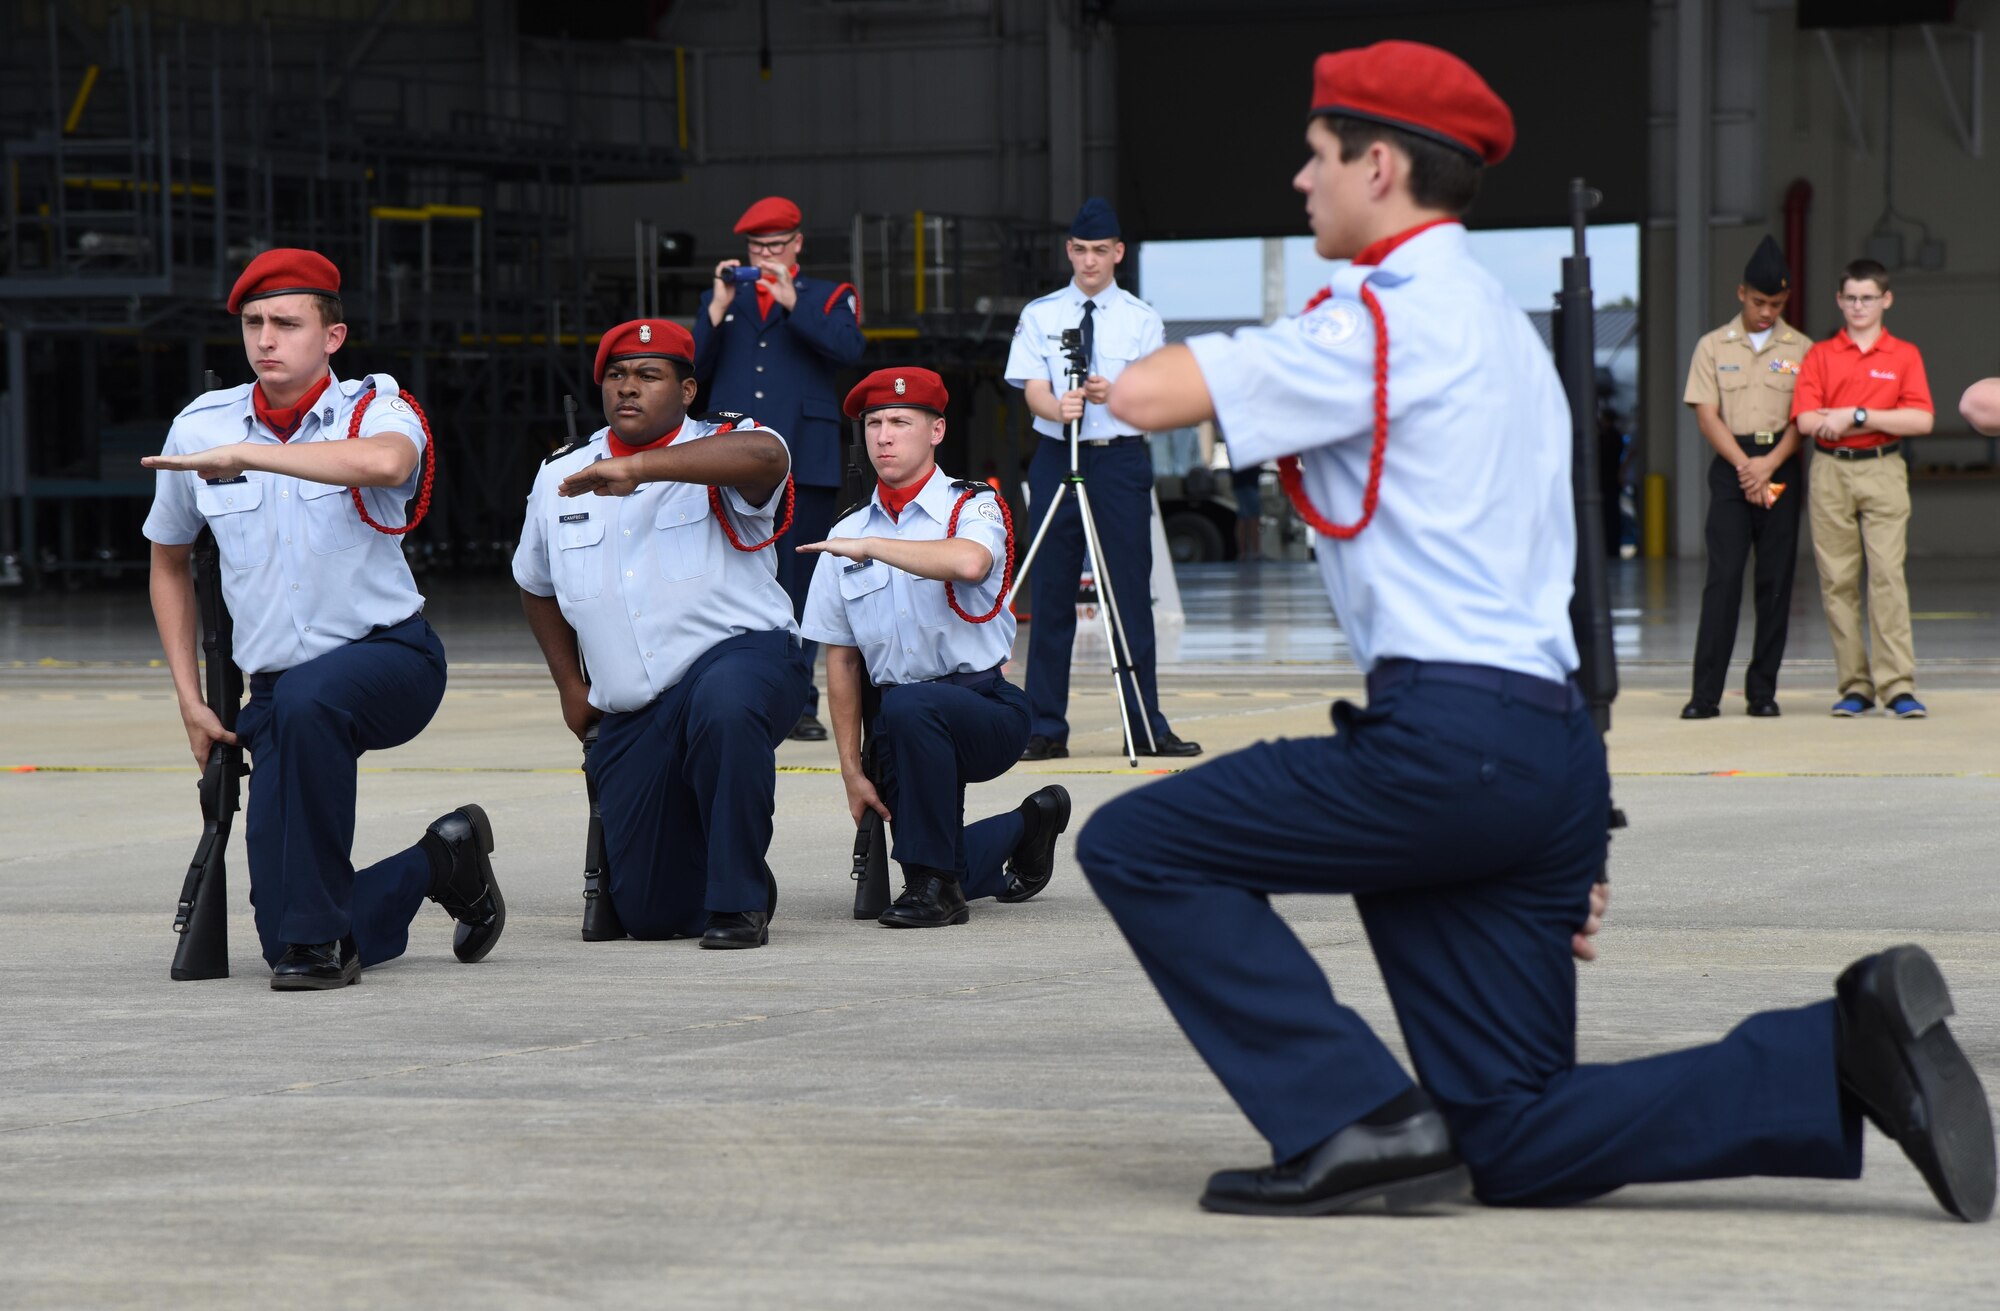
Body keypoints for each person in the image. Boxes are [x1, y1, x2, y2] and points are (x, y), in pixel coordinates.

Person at [1077, 42, 1993, 1222]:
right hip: (1536, 752)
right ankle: (1836, 1054)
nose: (1299, 183)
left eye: (1314, 157)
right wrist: (1567, 826)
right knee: (1503, 1137)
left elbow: (1146, 396)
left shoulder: (1391, 319)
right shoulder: (1504, 331)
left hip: (1447, 744)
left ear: (1378, 164)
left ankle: (1349, 1114)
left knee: (1142, 845)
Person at [141, 248, 504, 991]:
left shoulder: (376, 406)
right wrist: (192, 701)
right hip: (277, 691)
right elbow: (168, 558)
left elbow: (386, 465)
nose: (266, 338)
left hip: (391, 658)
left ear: (332, 337)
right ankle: (443, 858)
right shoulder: (200, 426)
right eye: (253, 322)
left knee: (314, 702)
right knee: (285, 931)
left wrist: (254, 455)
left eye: (286, 322)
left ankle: (321, 947)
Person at [513, 319, 808, 950]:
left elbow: (769, 459)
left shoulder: (731, 441)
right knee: (650, 915)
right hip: (635, 701)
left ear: (688, 390)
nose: (628, 388)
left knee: (724, 709)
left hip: (739, 660)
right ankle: (725, 869)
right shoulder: (560, 473)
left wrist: (642, 468)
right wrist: (570, 685)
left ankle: (739, 902)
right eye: (616, 375)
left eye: (649, 375)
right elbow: (534, 582)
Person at [797, 367, 1071, 929]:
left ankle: (936, 889)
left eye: (900, 421)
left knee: (911, 713)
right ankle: (1032, 823)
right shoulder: (846, 529)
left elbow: (970, 562)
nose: (884, 436)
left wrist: (873, 546)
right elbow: (842, 661)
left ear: (937, 431)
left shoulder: (971, 506)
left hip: (983, 709)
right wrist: (851, 769)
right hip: (899, 725)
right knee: (936, 863)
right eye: (873, 423)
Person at [1004, 199, 1200, 761]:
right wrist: (1057, 404)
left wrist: (1112, 392)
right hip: (1055, 452)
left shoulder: (1142, 318)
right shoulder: (1042, 313)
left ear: (1118, 253)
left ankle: (1144, 724)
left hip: (1117, 457)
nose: (1090, 262)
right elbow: (1031, 387)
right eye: (1081, 250)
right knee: (1053, 592)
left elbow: (1154, 396)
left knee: (1128, 593)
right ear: (1070, 251)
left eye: (1100, 251)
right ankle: (1044, 726)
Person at [695, 195, 866, 744]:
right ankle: (735, 692)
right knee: (729, 576)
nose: (764, 255)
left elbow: (849, 351)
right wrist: (716, 309)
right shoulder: (725, 298)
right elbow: (688, 372)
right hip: (731, 456)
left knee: (801, 582)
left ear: (797, 244)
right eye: (755, 246)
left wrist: (796, 304)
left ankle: (798, 701)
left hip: (803, 455)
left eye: (774, 245)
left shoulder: (829, 296)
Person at [1793, 259, 1936, 719]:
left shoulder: (1904, 355)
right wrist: (1845, 418)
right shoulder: (1819, 355)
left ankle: (1897, 685)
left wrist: (1856, 415)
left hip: (1883, 468)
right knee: (1837, 582)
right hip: (1831, 471)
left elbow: (1921, 419)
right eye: (1851, 298)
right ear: (1839, 300)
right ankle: (1855, 685)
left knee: (1887, 577)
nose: (1859, 306)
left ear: (1886, 300)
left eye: (1867, 298)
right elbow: (1806, 420)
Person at [1679, 236, 1809, 719]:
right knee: (1725, 578)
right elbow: (1707, 415)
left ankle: (1762, 692)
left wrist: (1769, 465)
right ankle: (1705, 694)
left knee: (1775, 582)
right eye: (1758, 302)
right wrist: (1745, 468)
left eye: (1775, 304)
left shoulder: (1802, 348)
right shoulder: (1713, 346)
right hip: (1733, 466)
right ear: (1741, 294)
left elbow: (1804, 418)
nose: (1766, 312)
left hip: (1779, 465)